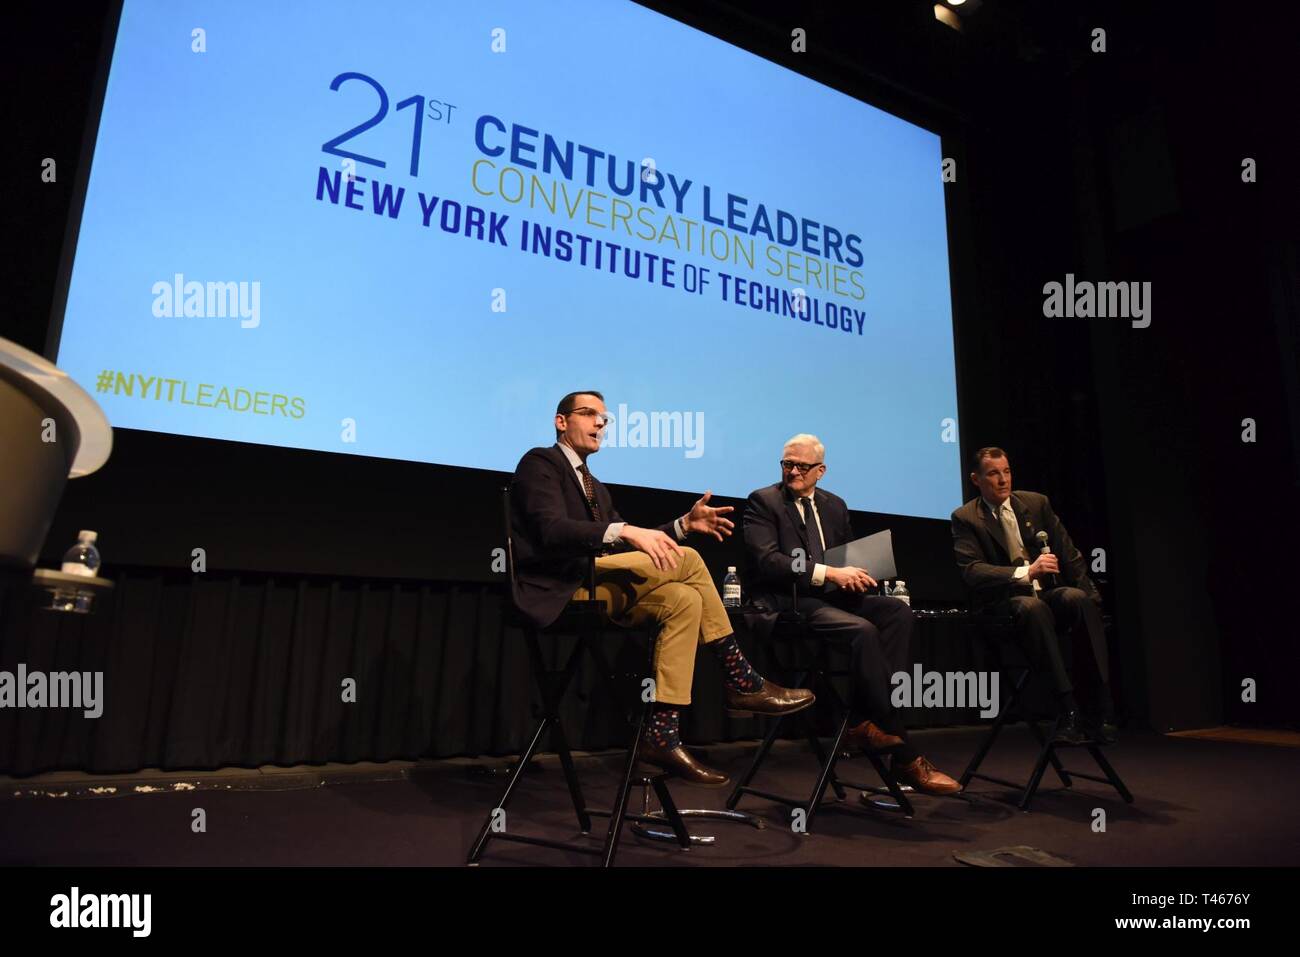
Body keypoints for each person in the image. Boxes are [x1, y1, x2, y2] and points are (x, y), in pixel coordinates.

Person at [509, 390, 814, 787]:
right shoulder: (540, 463)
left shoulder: (595, 486)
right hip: (555, 586)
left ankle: (662, 736)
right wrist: (628, 530)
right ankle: (742, 680)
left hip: (595, 583)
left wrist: (682, 527)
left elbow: (626, 543)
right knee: (687, 560)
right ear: (560, 421)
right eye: (588, 414)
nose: (600, 423)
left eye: (605, 418)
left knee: (683, 599)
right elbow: (551, 531)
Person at [743, 433, 961, 795]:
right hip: (786, 604)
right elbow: (769, 562)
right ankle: (904, 754)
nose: (792, 471)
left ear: (821, 471)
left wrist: (856, 574)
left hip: (829, 598)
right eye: (787, 464)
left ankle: (862, 720)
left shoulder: (835, 505)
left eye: (801, 466)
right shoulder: (763, 502)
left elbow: (842, 560)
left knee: (897, 614)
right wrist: (830, 573)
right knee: (862, 631)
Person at [951, 446, 1114, 743]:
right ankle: (1067, 710)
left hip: (1046, 598)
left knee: (1078, 600)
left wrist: (1094, 601)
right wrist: (1025, 573)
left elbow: (1070, 555)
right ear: (976, 479)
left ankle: (1096, 709)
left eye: (1007, 472)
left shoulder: (1036, 504)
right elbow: (972, 571)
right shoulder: (966, 518)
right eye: (993, 474)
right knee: (1031, 607)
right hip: (1001, 607)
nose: (1003, 480)